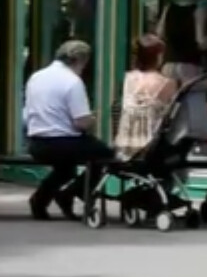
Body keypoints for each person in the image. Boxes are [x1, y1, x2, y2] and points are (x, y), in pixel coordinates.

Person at [24, 40, 115, 220]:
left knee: (65, 170)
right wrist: (93, 119)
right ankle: (73, 192)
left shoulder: (37, 77)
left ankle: (40, 201)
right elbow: (81, 123)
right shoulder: (73, 82)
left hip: (36, 142)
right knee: (106, 154)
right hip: (63, 142)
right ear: (80, 60)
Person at [113, 34, 177, 159]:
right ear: (159, 56)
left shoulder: (127, 78)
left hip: (124, 147)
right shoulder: (167, 83)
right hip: (151, 148)